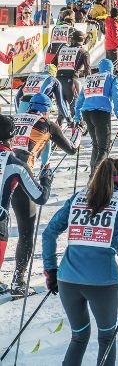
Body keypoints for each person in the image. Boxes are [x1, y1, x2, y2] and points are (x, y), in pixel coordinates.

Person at [42, 157, 118, 366]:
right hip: (102, 281)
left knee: (79, 336)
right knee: (106, 338)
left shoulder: (77, 197)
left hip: (67, 279)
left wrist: (50, 271)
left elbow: (49, 233)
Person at [7, 94, 78, 295]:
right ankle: (19, 281)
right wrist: (77, 133)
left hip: (3, 169)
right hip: (22, 175)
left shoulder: (15, 117)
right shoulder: (46, 122)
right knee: (26, 232)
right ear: (46, 109)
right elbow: (71, 149)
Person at [0, 115, 55, 294]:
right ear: (12, 138)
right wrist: (46, 179)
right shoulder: (15, 163)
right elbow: (40, 197)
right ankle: (19, 282)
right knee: (26, 232)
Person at [74, 59, 118, 171]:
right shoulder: (112, 78)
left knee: (96, 145)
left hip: (86, 113)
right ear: (111, 69)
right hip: (101, 113)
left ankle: (92, 174)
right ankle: (95, 177)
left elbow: (80, 100)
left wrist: (77, 117)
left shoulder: (90, 78)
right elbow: (117, 97)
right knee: (103, 148)